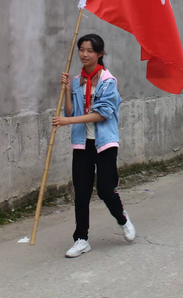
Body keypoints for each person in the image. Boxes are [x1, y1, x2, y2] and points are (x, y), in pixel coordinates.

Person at [52, 34, 136, 258]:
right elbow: (70, 111)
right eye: (81, 49)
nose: (84, 54)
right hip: (82, 143)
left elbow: (101, 115)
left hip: (105, 143)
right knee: (81, 192)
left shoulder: (108, 81)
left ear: (100, 54)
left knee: (106, 189)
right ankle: (81, 239)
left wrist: (67, 122)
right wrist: (69, 89)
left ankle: (122, 218)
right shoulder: (79, 80)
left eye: (89, 50)